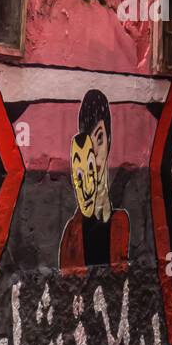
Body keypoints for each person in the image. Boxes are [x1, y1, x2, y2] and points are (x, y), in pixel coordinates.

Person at [59, 89, 129, 274]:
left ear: (110, 140)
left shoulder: (122, 224)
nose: (95, 152)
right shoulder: (71, 234)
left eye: (99, 138)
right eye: (89, 142)